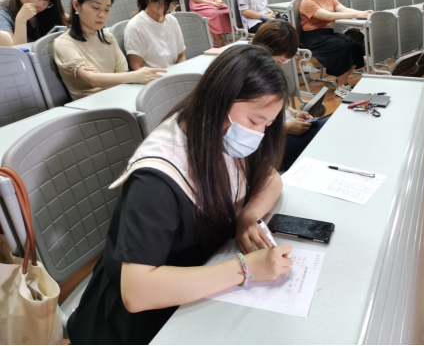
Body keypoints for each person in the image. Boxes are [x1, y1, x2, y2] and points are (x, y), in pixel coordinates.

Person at [66, 44, 293, 346]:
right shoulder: (157, 179)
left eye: (268, 124)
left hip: (195, 281)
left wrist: (248, 216)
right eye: (254, 121)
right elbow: (137, 293)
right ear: (219, 101)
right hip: (139, 318)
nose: (259, 134)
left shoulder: (218, 134)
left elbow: (271, 178)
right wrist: (246, 269)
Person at [54, 0, 165, 101]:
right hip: (91, 105)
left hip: (118, 97)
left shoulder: (108, 38)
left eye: (107, 10)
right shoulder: (64, 43)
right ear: (76, 5)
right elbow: (93, 79)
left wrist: (127, 78)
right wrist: (136, 76)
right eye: (96, 8)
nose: (102, 15)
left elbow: (121, 74)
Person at [251, 19, 329, 171]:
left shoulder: (267, 73)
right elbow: (249, 129)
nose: (280, 67)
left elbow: (280, 105)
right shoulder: (253, 79)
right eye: (279, 62)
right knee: (325, 129)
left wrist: (295, 113)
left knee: (327, 124)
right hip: (273, 147)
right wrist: (285, 128)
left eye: (284, 62)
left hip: (285, 131)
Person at [300, 0, 371, 98]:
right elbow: (329, 16)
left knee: (355, 46)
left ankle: (341, 81)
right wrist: (356, 14)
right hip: (313, 37)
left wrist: (362, 13)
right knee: (343, 48)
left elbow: (344, 9)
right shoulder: (308, 0)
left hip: (327, 33)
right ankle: (342, 86)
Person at [125, 0, 185, 71]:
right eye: (166, 3)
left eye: (174, 3)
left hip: (175, 75)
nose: (170, 8)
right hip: (153, 78)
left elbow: (181, 56)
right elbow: (137, 67)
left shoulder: (172, 21)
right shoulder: (135, 26)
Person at [0, 0, 66, 47]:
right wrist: (21, 20)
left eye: (46, 0)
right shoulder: (3, 16)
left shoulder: (48, 10)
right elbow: (15, 52)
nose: (41, 5)